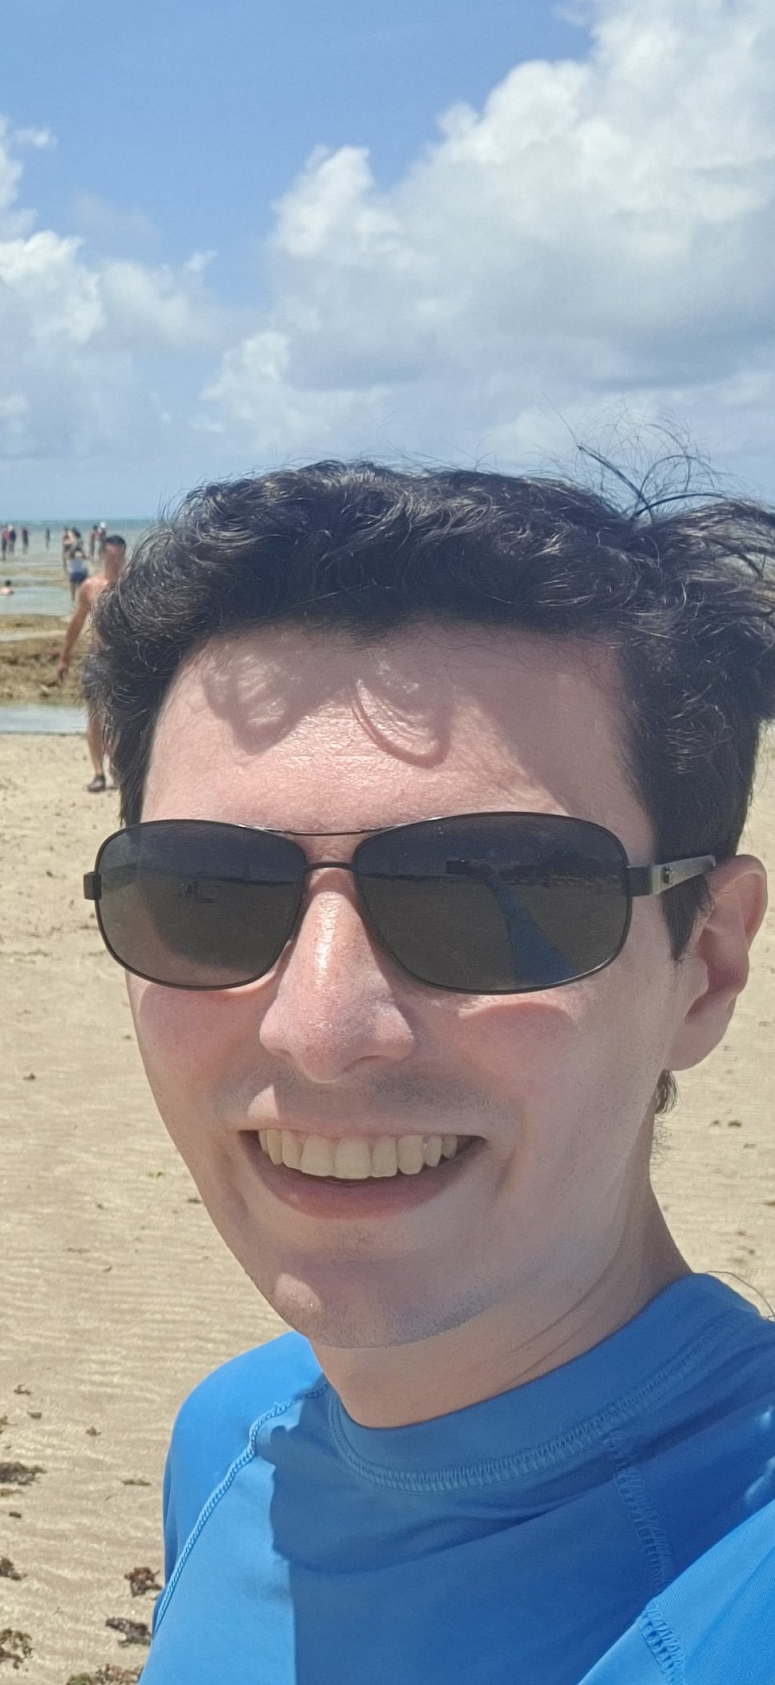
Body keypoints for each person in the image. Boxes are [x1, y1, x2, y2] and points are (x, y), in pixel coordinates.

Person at [76, 463, 775, 1683]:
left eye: (490, 894)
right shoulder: (231, 1439)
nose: (320, 1028)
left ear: (704, 966)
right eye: (206, 890)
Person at [56, 533, 127, 791]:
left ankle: (119, 770)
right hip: (97, 657)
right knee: (96, 717)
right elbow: (77, 623)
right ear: (102, 555)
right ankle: (98, 773)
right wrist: (64, 657)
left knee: (120, 718)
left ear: (124, 557)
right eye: (110, 556)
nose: (114, 561)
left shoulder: (133, 586)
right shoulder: (90, 587)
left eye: (119, 557)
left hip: (123, 658)